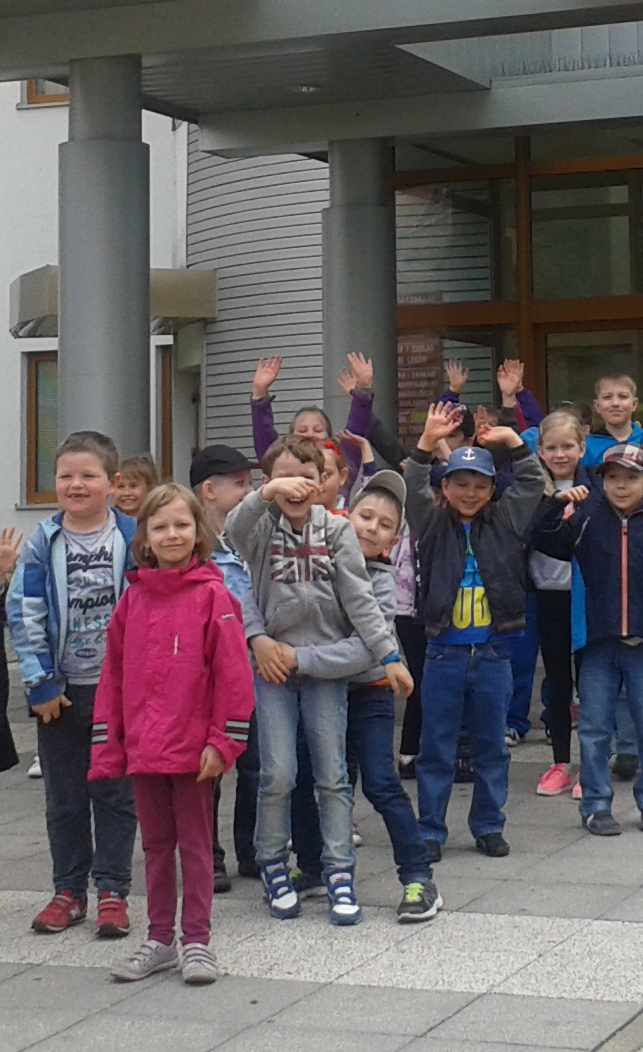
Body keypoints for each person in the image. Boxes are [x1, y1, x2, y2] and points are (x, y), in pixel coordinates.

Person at [225, 435, 409, 923]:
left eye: (307, 478)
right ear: (268, 482)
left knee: (332, 775)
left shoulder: (337, 530)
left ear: (323, 482)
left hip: (323, 668)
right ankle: (272, 861)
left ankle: (339, 870)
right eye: (283, 478)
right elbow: (232, 530)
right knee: (279, 772)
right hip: (273, 669)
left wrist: (389, 654)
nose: (296, 487)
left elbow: (359, 599)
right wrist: (265, 494)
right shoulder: (260, 525)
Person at [89, 485, 256, 986]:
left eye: (182, 525)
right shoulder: (132, 601)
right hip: (144, 749)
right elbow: (112, 678)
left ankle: (197, 939)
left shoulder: (214, 597)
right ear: (143, 538)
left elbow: (233, 677)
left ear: (198, 532)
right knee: (157, 847)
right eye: (160, 527)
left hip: (193, 751)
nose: (172, 535)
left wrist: (223, 742)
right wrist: (109, 745)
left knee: (197, 847)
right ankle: (160, 939)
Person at [531, 445, 643, 834]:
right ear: (601, 482)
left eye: (631, 478)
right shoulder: (585, 521)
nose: (621, 485)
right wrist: (554, 504)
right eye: (612, 478)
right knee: (594, 731)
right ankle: (596, 805)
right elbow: (541, 538)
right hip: (597, 646)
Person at [6, 431, 141, 936]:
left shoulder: (134, 536)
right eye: (66, 476)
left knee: (115, 794)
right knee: (63, 799)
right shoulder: (42, 542)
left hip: (118, 692)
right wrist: (40, 682)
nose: (76, 484)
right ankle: (68, 891)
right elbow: (25, 613)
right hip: (60, 693)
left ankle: (112, 891)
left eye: (88, 476)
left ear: (114, 483)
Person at [403, 401, 543, 860]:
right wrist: (427, 442)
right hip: (443, 652)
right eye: (460, 484)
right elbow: (412, 486)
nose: (470, 493)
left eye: (480, 485)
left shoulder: (506, 519)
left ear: (493, 488)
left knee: (491, 747)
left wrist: (514, 441)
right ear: (444, 487)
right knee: (436, 746)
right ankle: (430, 829)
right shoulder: (431, 523)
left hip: (493, 652)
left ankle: (488, 824)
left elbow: (532, 482)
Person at [340, 470, 440, 922]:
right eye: (364, 516)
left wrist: (300, 658)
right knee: (325, 782)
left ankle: (418, 876)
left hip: (370, 693)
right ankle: (316, 866)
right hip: (325, 693)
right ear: (345, 516)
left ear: (395, 540)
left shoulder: (382, 579)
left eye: (384, 525)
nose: (371, 528)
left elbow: (369, 647)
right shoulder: (323, 566)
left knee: (380, 782)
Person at [190, 444, 259, 894]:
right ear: (210, 491)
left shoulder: (247, 540)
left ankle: (251, 849)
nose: (248, 494)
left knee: (256, 767)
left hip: (251, 673)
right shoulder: (191, 546)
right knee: (208, 771)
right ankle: (207, 855)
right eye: (240, 485)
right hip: (205, 679)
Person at [528, 411, 588, 798]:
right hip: (548, 594)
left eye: (568, 446)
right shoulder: (532, 488)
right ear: (540, 451)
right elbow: (530, 532)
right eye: (552, 447)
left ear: (582, 447)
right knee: (557, 680)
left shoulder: (596, 485)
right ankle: (560, 761)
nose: (560, 454)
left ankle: (591, 762)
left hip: (586, 595)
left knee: (590, 682)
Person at [247, 353, 381, 459]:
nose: (310, 435)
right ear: (289, 438)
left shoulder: (341, 463)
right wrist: (259, 393)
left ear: (329, 437)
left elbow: (356, 431)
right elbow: (265, 444)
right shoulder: (280, 462)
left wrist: (364, 388)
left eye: (318, 430)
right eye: (302, 431)